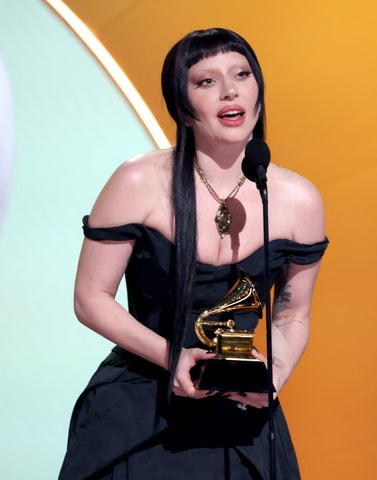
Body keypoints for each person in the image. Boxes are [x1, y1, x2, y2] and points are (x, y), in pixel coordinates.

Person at [59, 28, 328, 479]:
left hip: (242, 420)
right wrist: (174, 357)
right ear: (181, 105)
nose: (229, 90)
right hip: (140, 409)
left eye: (241, 74)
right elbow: (90, 298)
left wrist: (273, 378)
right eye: (206, 81)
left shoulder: (299, 199)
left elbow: (293, 315)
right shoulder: (138, 181)